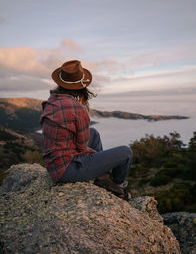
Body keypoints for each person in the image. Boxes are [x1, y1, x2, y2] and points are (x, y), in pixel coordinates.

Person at [40, 60, 132, 200]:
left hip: (53, 165)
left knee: (93, 133)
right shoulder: (77, 108)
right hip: (68, 171)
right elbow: (82, 147)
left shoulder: (51, 101)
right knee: (126, 152)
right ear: (80, 87)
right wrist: (97, 157)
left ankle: (101, 177)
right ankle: (117, 185)